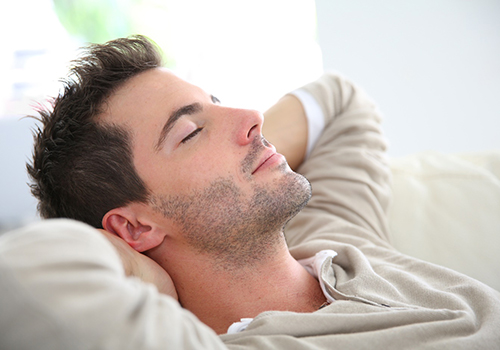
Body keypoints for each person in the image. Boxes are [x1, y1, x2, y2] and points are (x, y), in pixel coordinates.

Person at [1, 35, 498, 349]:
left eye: (215, 103)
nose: (250, 117)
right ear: (133, 226)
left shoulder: (340, 242)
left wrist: (248, 152)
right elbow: (23, 274)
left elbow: (341, 103)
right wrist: (144, 276)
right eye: (190, 132)